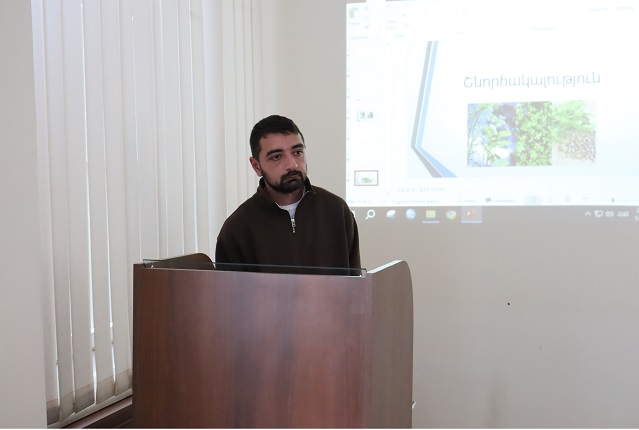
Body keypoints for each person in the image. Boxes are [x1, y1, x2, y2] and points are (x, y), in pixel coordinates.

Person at [215, 114, 360, 273]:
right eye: (277, 157)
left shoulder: (336, 210)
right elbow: (230, 289)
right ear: (256, 166)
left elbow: (356, 283)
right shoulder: (237, 229)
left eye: (297, 152)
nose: (292, 164)